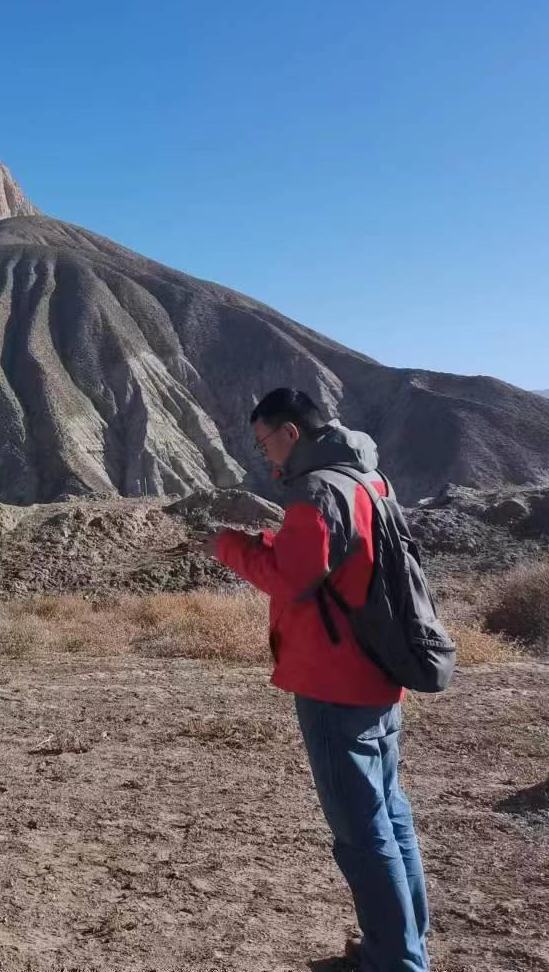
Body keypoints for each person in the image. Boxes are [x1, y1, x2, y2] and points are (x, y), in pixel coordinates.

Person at [193, 387, 431, 972]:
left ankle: (396, 963)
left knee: (362, 834)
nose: (265, 456)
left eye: (264, 443)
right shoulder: (365, 478)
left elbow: (292, 579)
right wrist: (273, 543)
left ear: (291, 432)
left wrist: (228, 546)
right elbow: (336, 564)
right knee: (390, 816)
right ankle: (400, 947)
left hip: (333, 680)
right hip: (377, 670)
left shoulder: (317, 491)